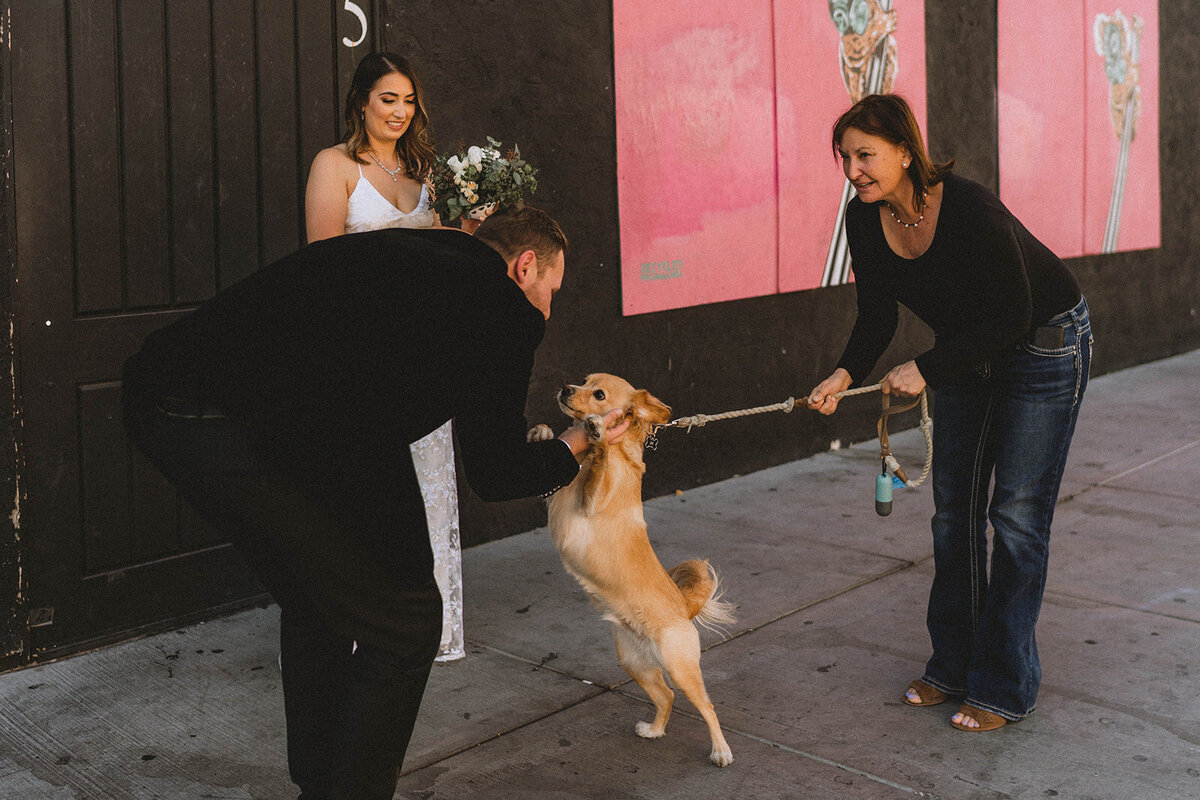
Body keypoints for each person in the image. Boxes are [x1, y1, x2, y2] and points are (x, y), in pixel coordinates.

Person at [121, 207, 627, 799]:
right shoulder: (502, 307)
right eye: (551, 290)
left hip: (178, 398)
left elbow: (354, 388)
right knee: (407, 624)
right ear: (524, 266)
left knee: (318, 600)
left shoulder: (415, 251)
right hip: (238, 424)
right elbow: (496, 472)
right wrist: (583, 438)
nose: (547, 308)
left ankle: (323, 786)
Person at [808, 94, 1092, 733]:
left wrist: (927, 369)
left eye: (866, 154)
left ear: (906, 152)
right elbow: (877, 313)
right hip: (967, 354)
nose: (853, 169)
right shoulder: (864, 217)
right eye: (845, 157)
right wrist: (844, 373)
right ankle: (953, 666)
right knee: (951, 518)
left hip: (1043, 345)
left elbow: (1013, 313)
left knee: (1015, 520)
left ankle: (1003, 686)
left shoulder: (968, 207)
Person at [305, 51, 467, 662]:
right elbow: (321, 263)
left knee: (427, 486)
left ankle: (429, 629)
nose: (399, 112)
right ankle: (358, 632)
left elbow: (444, 262)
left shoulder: (426, 169)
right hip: (357, 349)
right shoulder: (336, 165)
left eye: (408, 101)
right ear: (361, 103)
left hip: (423, 351)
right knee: (363, 492)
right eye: (386, 99)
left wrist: (466, 234)